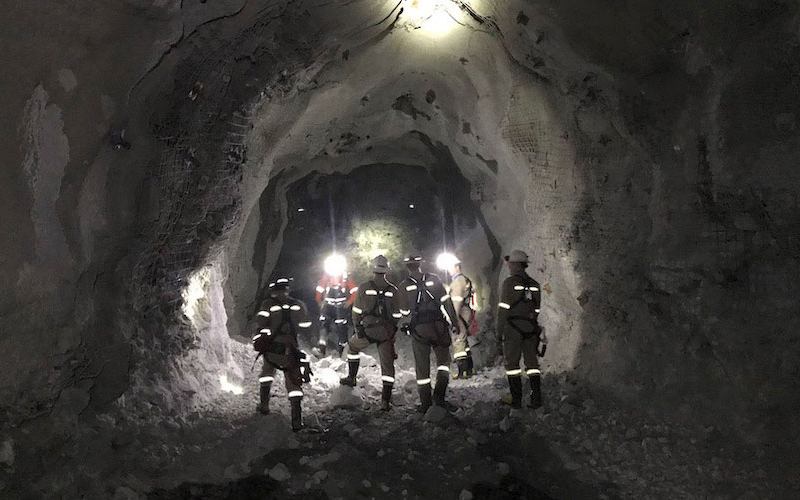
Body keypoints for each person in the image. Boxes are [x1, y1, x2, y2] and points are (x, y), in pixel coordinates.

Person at [398, 254, 461, 413]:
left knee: (422, 368)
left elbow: (404, 311)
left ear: (407, 267)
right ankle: (439, 398)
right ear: (420, 264)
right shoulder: (434, 279)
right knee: (444, 363)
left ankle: (426, 403)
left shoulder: (404, 285)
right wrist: (454, 322)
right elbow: (446, 302)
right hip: (439, 326)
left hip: (420, 329)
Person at [340, 255, 402, 411]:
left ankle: (351, 377)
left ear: (373, 269)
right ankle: (385, 401)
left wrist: (358, 329)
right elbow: (397, 315)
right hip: (386, 332)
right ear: (386, 270)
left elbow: (356, 311)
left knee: (352, 347)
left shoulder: (364, 287)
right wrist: (392, 330)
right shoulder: (393, 290)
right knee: (388, 368)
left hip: (368, 330)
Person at [252, 278, 314, 430]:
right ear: (287, 289)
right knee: (294, 384)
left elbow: (260, 323)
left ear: (273, 290)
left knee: (266, 374)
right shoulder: (298, 305)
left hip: (273, 348)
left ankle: (264, 406)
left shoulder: (267, 304)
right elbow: (306, 325)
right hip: (291, 348)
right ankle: (296, 421)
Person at [496, 250, 547, 409]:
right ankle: (536, 399)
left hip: (513, 329)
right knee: (532, 364)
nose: (509, 266)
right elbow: (537, 310)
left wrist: (499, 333)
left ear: (516, 264)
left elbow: (503, 309)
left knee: (512, 365)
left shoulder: (509, 283)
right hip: (531, 329)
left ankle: (516, 399)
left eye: (510, 263)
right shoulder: (535, 285)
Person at [313, 255, 358, 357]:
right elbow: (320, 289)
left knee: (341, 329)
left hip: (339, 307)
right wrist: (319, 301)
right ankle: (322, 350)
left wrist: (349, 302)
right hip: (329, 306)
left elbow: (355, 291)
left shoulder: (345, 277)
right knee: (324, 327)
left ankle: (342, 352)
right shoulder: (327, 276)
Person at [442, 255, 477, 379]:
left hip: (460, 313)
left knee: (458, 340)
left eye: (450, 267)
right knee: (464, 341)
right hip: (465, 312)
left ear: (457, 267)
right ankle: (469, 369)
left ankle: (463, 371)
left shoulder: (458, 281)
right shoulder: (463, 279)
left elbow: (456, 302)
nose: (449, 270)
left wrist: (453, 320)